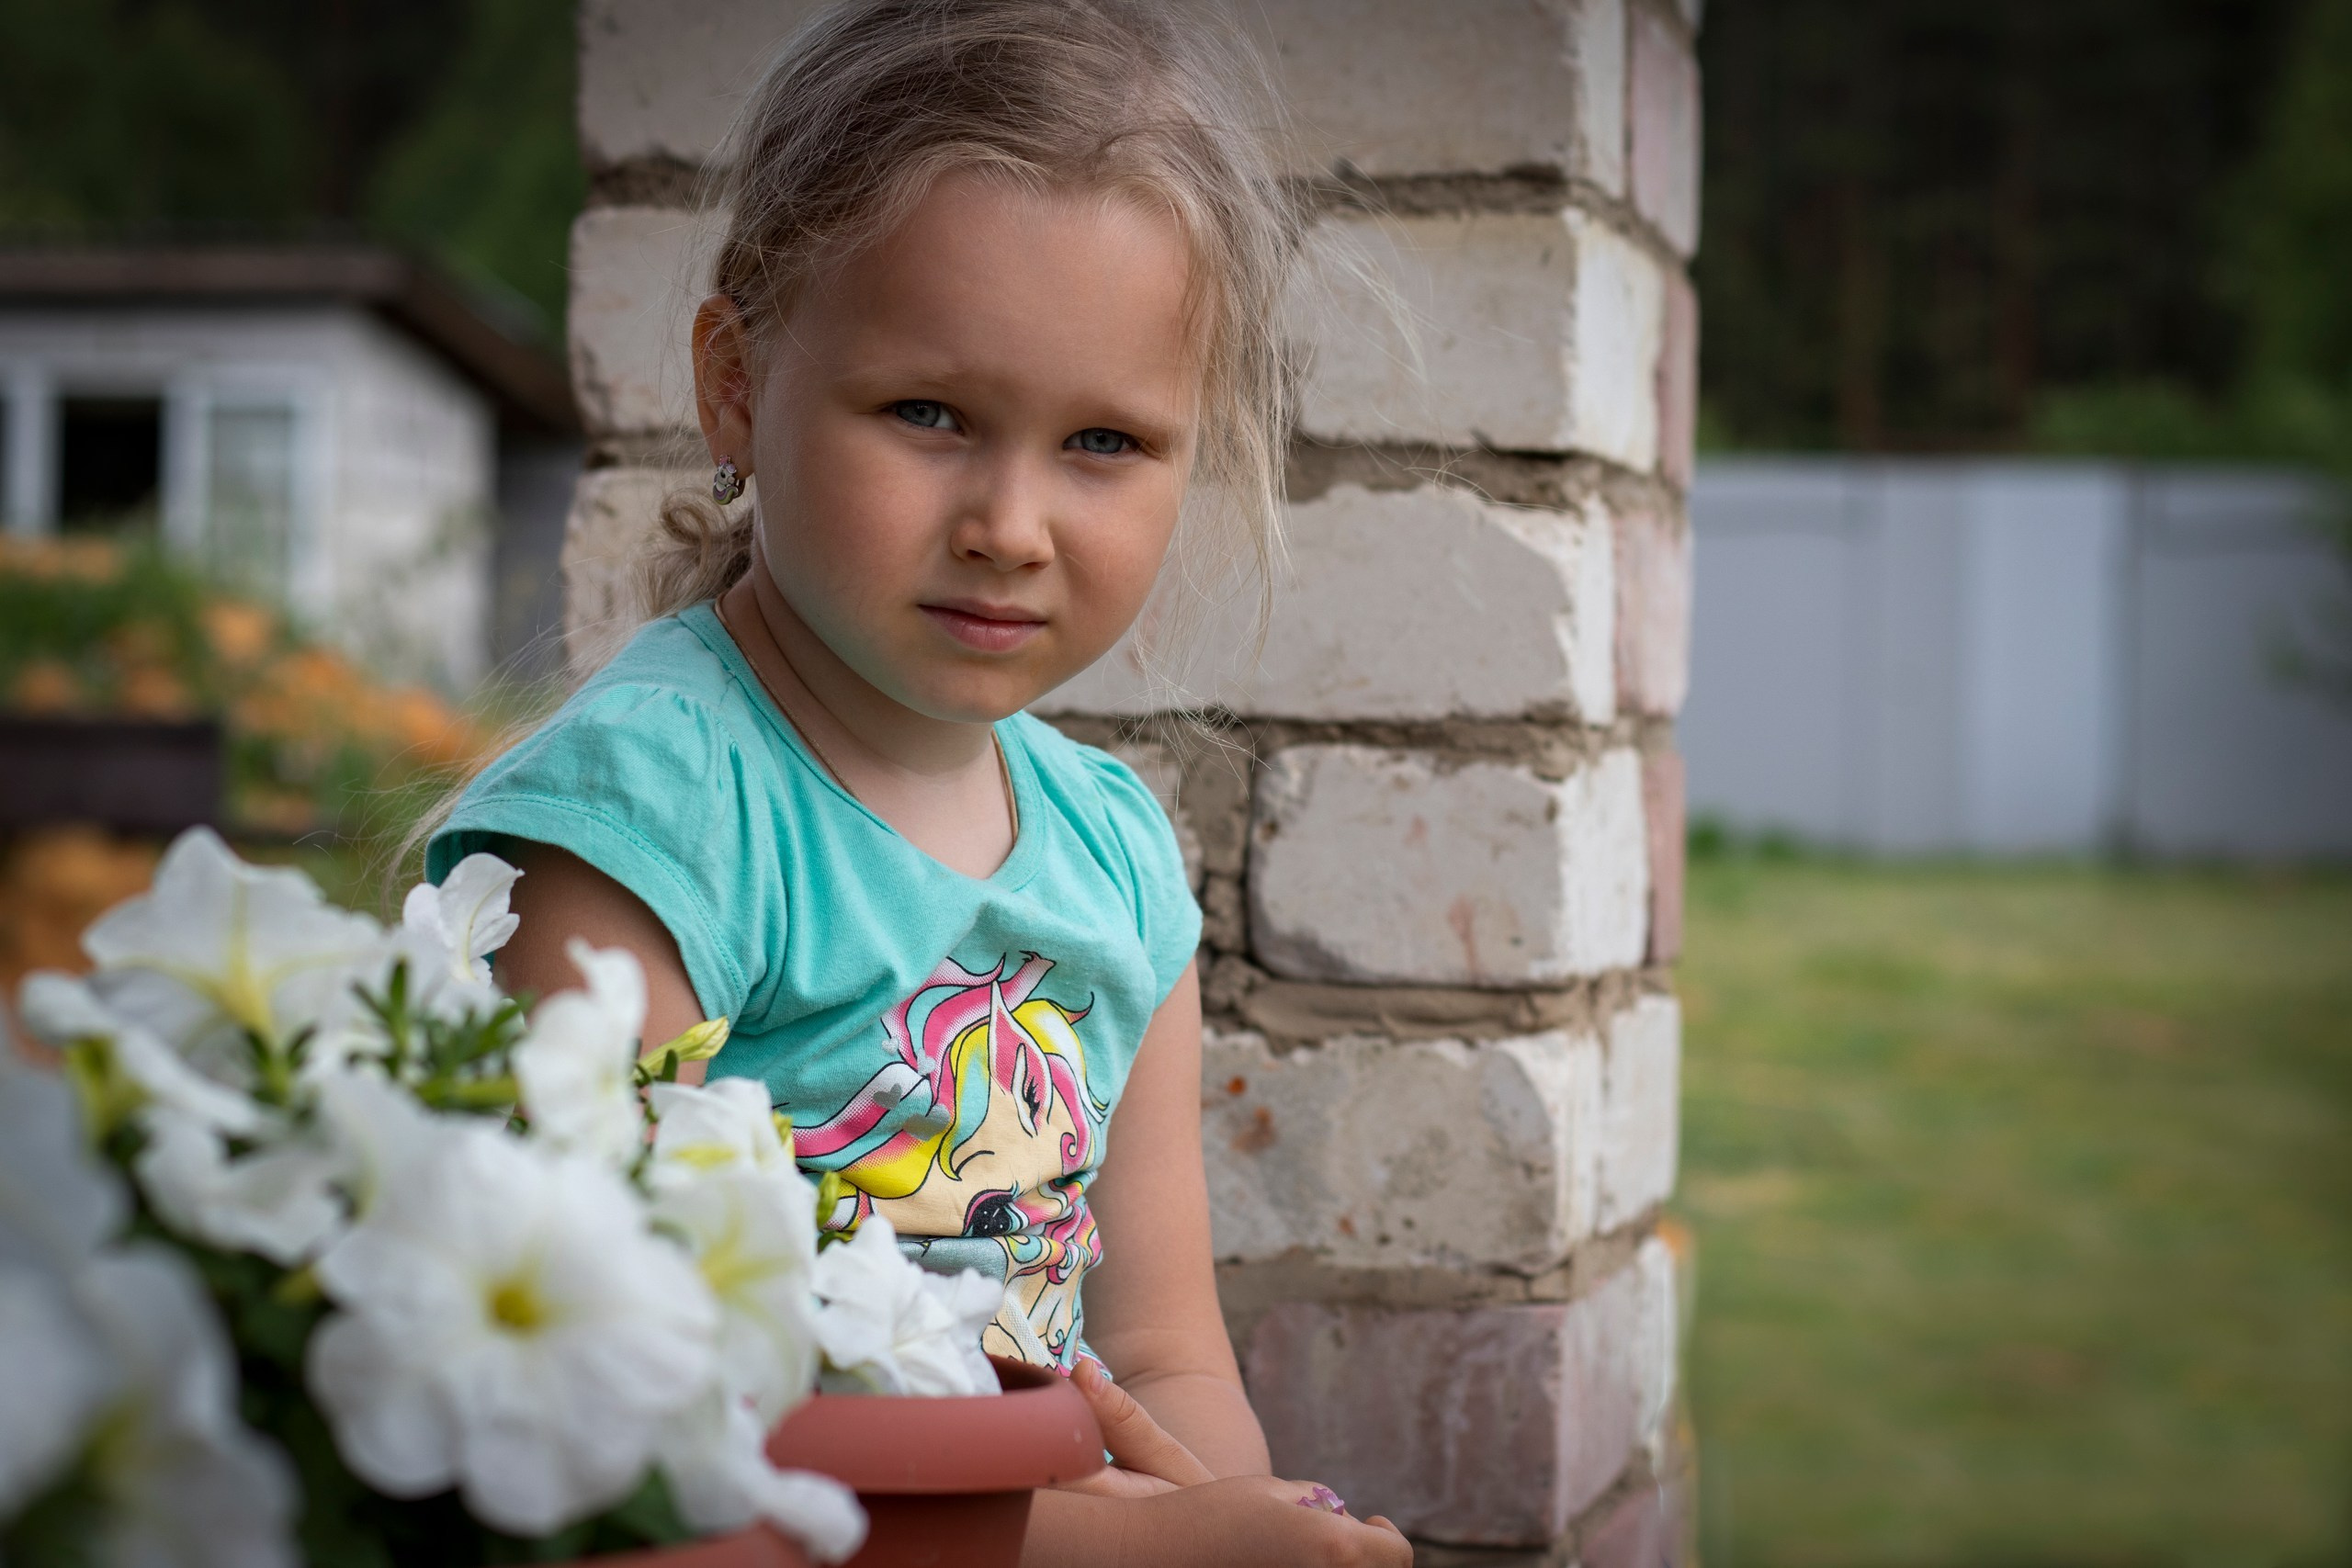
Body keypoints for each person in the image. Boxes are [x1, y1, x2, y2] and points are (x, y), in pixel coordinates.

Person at [422, 1, 1415, 1562]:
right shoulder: (648, 826)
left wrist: (1231, 1516)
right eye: (930, 415)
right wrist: (1142, 1552)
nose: (1011, 523)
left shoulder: (1111, 854)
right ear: (738, 383)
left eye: (1103, 441)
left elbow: (1162, 1356)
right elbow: (610, 1430)